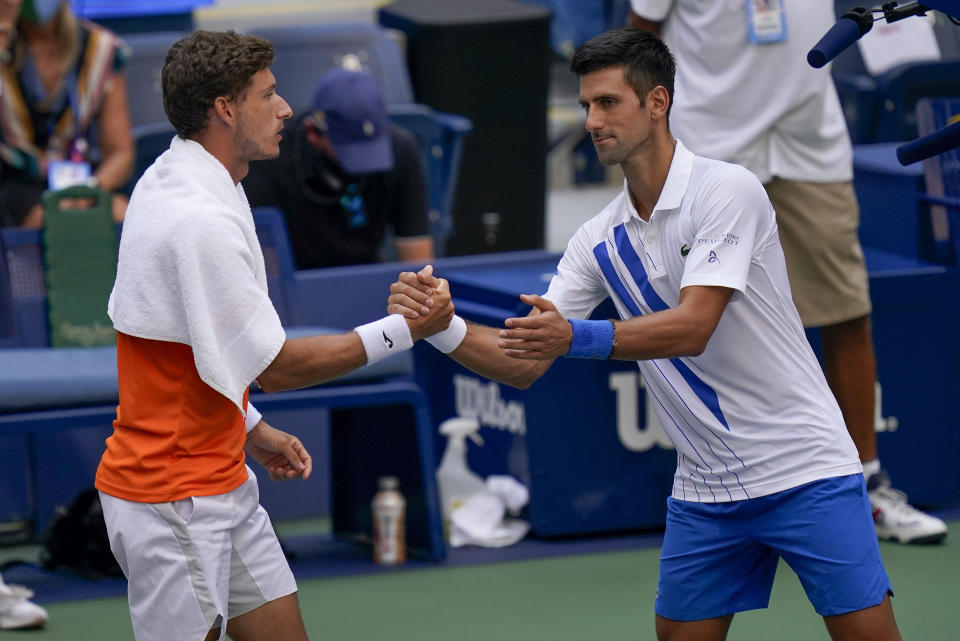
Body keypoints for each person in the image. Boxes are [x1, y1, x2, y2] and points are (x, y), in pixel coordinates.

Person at [389, 29, 902, 641]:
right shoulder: (596, 240)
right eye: (585, 106)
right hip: (706, 491)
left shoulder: (727, 191)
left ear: (657, 102)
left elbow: (694, 326)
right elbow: (522, 362)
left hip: (804, 470)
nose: (592, 121)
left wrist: (573, 337)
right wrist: (441, 327)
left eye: (608, 103)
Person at [94, 30, 451, 641]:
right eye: (269, 94)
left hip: (220, 477)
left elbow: (197, 347)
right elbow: (278, 366)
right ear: (225, 110)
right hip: (174, 496)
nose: (286, 108)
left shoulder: (189, 175)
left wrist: (250, 427)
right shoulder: (199, 218)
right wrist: (403, 332)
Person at [626, 0, 947, 544]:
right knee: (698, 323)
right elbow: (641, 40)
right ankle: (711, 496)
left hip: (807, 147)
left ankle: (866, 488)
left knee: (847, 312)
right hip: (708, 151)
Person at [244, 68, 434, 268]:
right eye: (350, 146)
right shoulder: (269, 157)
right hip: (295, 283)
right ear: (314, 133)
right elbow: (267, 271)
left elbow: (418, 258)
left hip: (369, 279)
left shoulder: (401, 150)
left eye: (370, 144)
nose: (365, 161)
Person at [0, 0, 134, 227]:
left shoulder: (100, 48)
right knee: (48, 219)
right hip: (17, 182)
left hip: (82, 178)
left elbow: (121, 154)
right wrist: (4, 23)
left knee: (122, 212)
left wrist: (85, 193)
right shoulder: (5, 44)